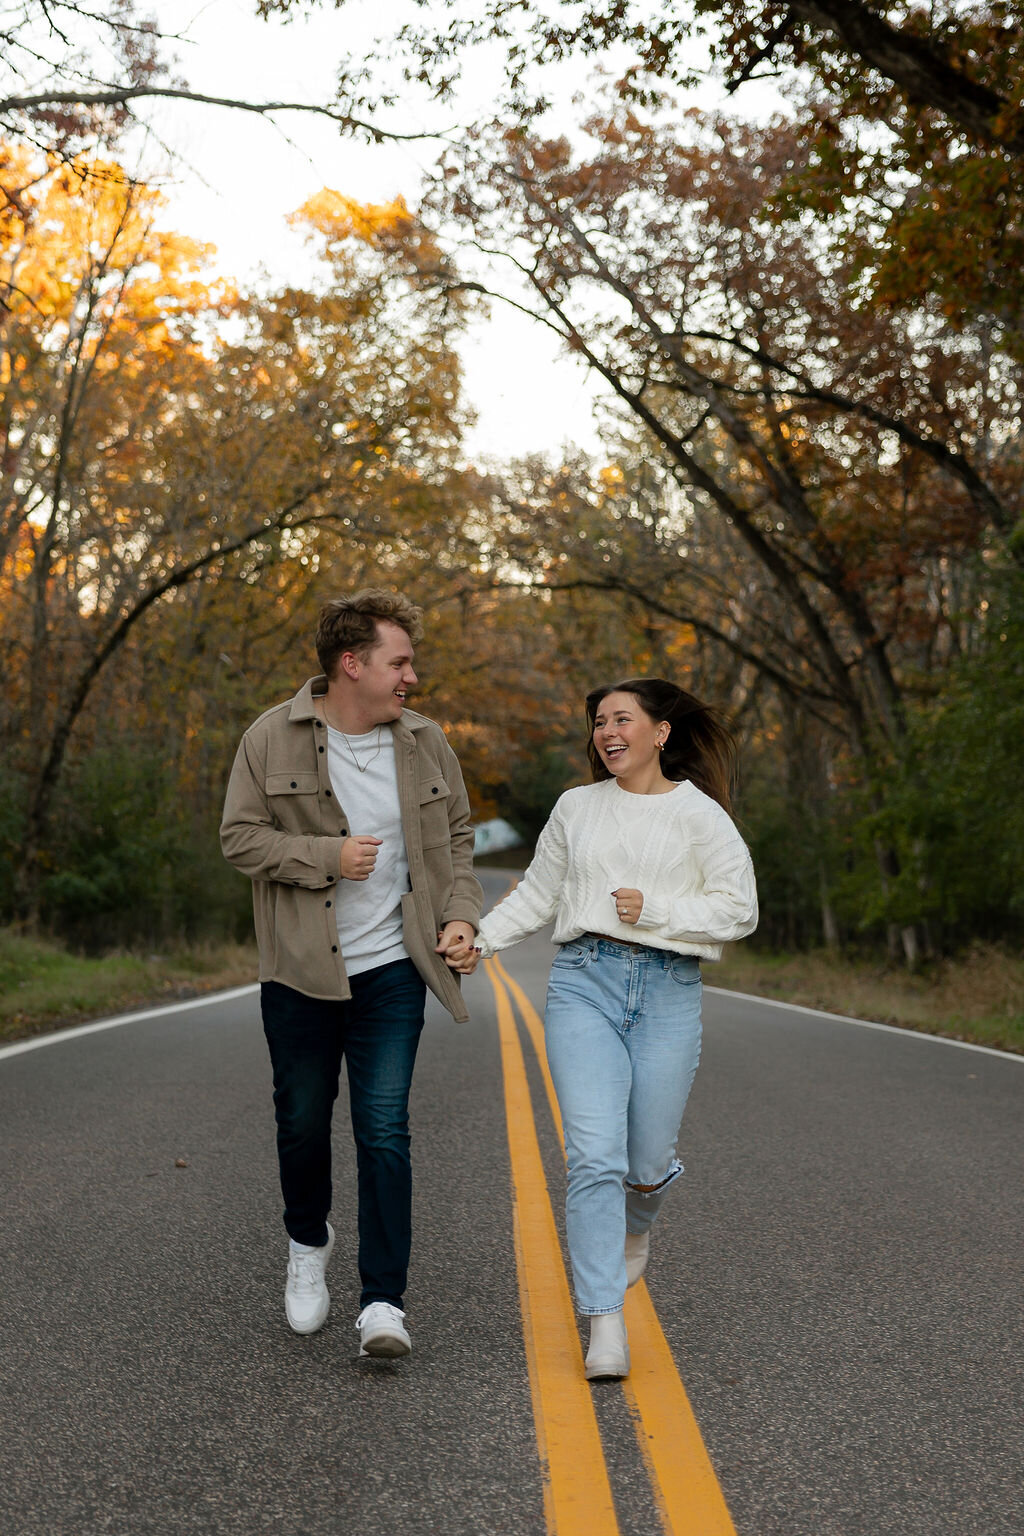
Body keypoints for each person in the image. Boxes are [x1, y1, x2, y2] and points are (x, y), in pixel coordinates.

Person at [445, 678, 757, 1381]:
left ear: (660, 732)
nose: (607, 731)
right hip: (583, 982)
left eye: (622, 718)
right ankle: (604, 1321)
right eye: (598, 722)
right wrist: (482, 940)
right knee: (592, 1155)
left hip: (669, 990)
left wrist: (654, 909)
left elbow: (739, 910)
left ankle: (636, 1229)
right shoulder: (576, 808)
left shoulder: (700, 816)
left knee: (645, 1165)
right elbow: (538, 891)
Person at [221, 589, 482, 1358]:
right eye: (399, 662)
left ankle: (382, 1302)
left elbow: (459, 841)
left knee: (384, 1128)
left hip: (396, 968)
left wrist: (460, 916)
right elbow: (239, 839)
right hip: (300, 970)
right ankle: (308, 1245)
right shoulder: (270, 738)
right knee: (301, 1121)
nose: (410, 677)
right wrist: (322, 858)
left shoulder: (428, 742)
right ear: (352, 663)